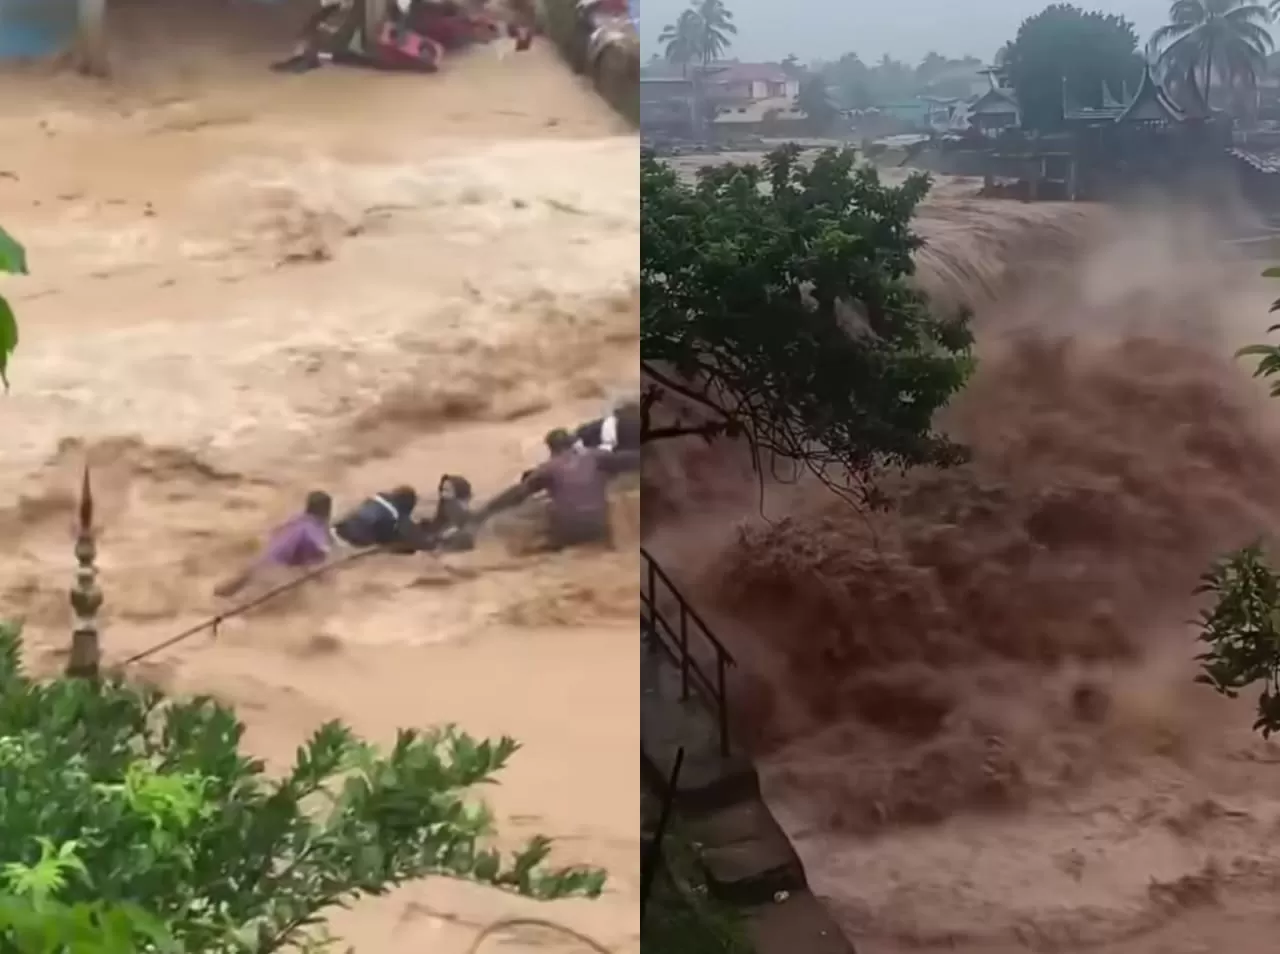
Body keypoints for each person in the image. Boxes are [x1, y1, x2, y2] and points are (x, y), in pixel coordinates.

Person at [476, 428, 639, 550]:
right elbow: (630, 460)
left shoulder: (547, 468)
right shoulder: (596, 456)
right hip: (601, 526)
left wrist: (485, 510)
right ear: (572, 443)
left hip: (568, 531)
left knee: (539, 512)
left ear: (550, 449)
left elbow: (518, 494)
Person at [215, 491, 334, 598]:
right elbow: (314, 563)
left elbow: (275, 533)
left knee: (225, 593)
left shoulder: (296, 519)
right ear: (326, 510)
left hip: (259, 559)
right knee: (249, 608)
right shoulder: (313, 531)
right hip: (272, 571)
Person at [332, 485, 420, 551]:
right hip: (353, 541)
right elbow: (385, 539)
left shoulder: (376, 498)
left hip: (339, 527)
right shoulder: (393, 517)